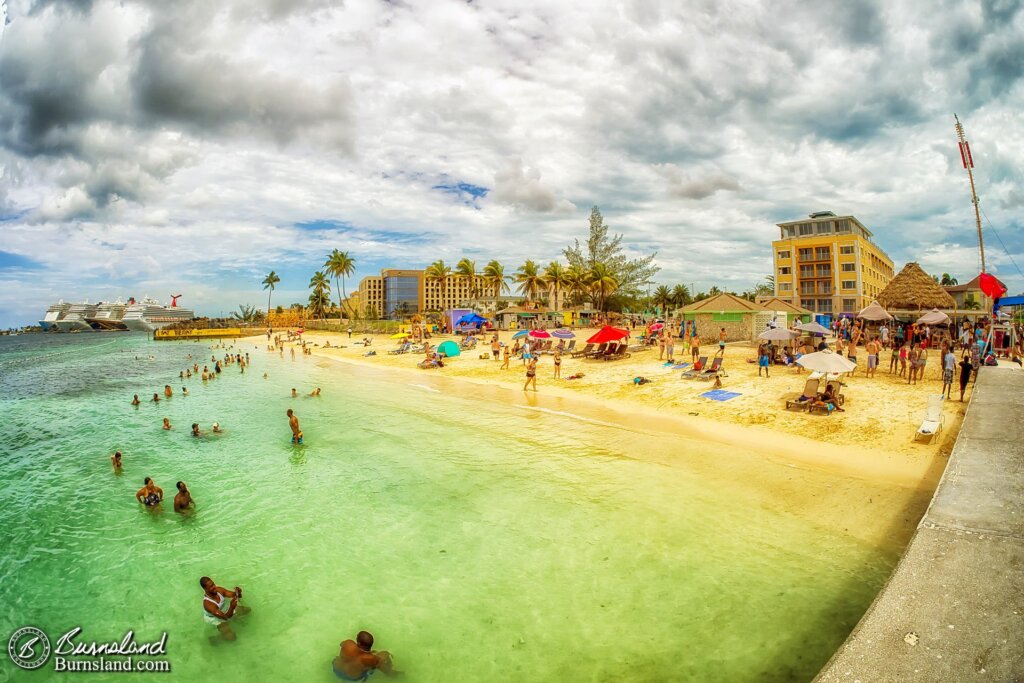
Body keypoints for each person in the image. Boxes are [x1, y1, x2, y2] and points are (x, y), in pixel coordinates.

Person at [200, 577, 250, 641]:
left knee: (247, 610)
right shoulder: (208, 604)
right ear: (205, 589)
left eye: (213, 584)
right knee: (232, 638)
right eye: (210, 587)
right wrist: (232, 607)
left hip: (225, 611)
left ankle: (232, 623)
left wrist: (238, 593)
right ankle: (215, 639)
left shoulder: (219, 590)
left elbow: (235, 596)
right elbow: (226, 617)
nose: (214, 587)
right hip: (216, 618)